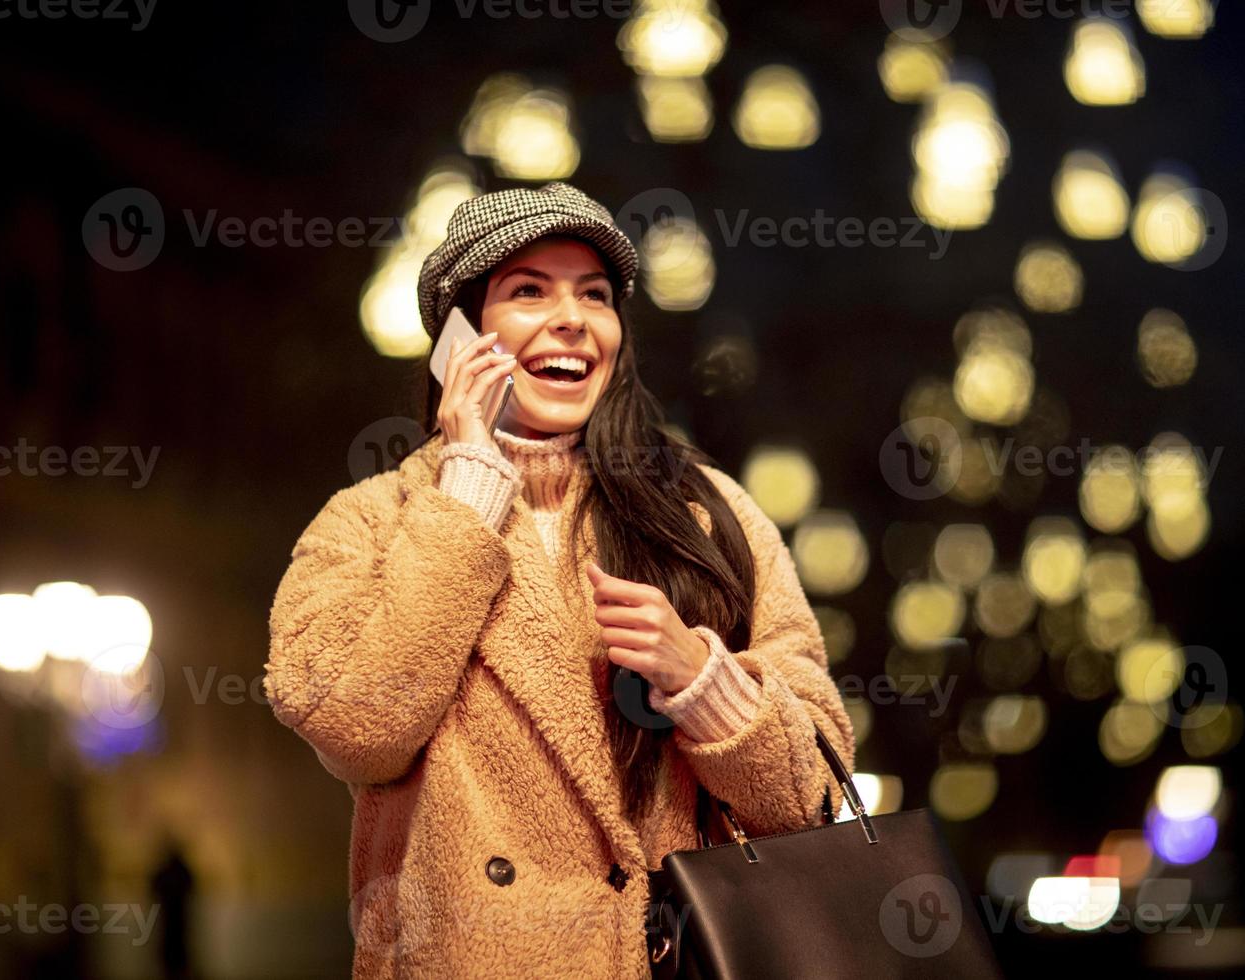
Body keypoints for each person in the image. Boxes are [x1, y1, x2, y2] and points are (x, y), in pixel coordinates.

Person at [263, 181, 854, 978]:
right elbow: (356, 729)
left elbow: (808, 798)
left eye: (596, 296)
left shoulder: (709, 517)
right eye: (530, 291)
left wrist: (703, 681)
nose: (572, 318)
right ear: (459, 339)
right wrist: (468, 489)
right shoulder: (371, 521)